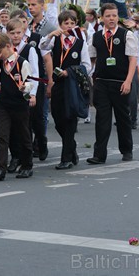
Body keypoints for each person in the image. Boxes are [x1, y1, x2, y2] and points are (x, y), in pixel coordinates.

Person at [86, 3, 138, 165]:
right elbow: (92, 59)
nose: (111, 19)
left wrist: (128, 81)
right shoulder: (96, 37)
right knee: (102, 119)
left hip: (120, 82)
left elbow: (132, 59)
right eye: (108, 16)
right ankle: (99, 154)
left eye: (114, 15)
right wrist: (88, 76)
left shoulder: (126, 35)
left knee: (123, 118)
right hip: (101, 82)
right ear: (102, 18)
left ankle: (126, 150)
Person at [42, 10, 91, 169]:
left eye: (72, 23)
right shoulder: (55, 40)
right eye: (65, 23)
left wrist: (69, 72)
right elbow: (42, 46)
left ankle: (66, 158)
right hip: (57, 85)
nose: (69, 26)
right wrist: (51, 35)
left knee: (70, 119)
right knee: (58, 119)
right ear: (60, 24)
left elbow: (86, 66)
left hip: (72, 85)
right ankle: (72, 147)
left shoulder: (80, 43)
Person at [0, 32, 35, 180]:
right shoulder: (0, 63)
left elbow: (30, 83)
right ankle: (0, 168)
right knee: (2, 136)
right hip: (4, 104)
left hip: (20, 104)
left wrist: (25, 88)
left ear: (8, 46)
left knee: (23, 135)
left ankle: (27, 165)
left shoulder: (22, 62)